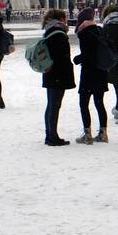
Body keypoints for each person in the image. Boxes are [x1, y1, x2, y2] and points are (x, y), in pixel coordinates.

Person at [72, 7, 109, 144]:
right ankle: (103, 133)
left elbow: (88, 55)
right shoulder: (99, 30)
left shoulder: (84, 33)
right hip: (101, 72)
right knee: (99, 103)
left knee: (84, 103)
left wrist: (78, 59)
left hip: (89, 73)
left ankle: (87, 134)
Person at [40, 8, 75, 145]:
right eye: (64, 19)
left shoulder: (50, 31)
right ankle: (52, 137)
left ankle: (49, 134)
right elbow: (61, 56)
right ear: (61, 19)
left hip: (51, 73)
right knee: (55, 105)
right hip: (58, 74)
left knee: (51, 105)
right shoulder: (58, 33)